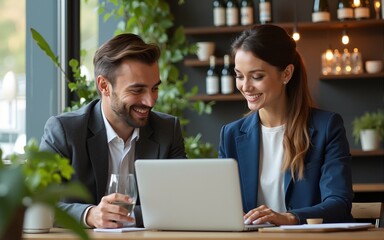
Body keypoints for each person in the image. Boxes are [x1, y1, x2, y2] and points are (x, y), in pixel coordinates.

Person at [39, 33, 186, 228]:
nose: (150, 101)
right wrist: (90, 215)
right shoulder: (64, 131)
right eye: (137, 90)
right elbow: (39, 203)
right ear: (104, 86)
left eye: (154, 89)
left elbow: (181, 204)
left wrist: (118, 215)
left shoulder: (168, 130)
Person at [218, 25, 354, 226]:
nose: (245, 86)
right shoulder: (230, 134)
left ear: (286, 74)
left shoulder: (327, 127)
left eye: (257, 76)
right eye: (239, 75)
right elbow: (222, 204)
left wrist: (288, 218)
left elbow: (339, 203)